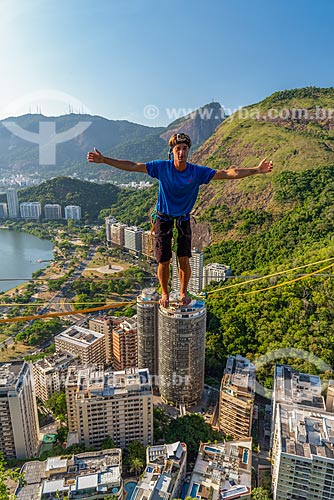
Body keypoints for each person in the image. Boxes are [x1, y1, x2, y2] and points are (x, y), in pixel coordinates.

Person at [87, 133, 273, 307]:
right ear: (172, 151)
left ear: (188, 151)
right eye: (178, 149)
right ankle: (165, 293)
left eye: (185, 148)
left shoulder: (196, 172)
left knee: (184, 259)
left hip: (183, 218)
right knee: (164, 260)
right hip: (163, 217)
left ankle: (184, 292)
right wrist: (105, 160)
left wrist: (256, 170)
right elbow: (134, 166)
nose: (182, 152)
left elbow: (227, 173)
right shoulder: (162, 167)